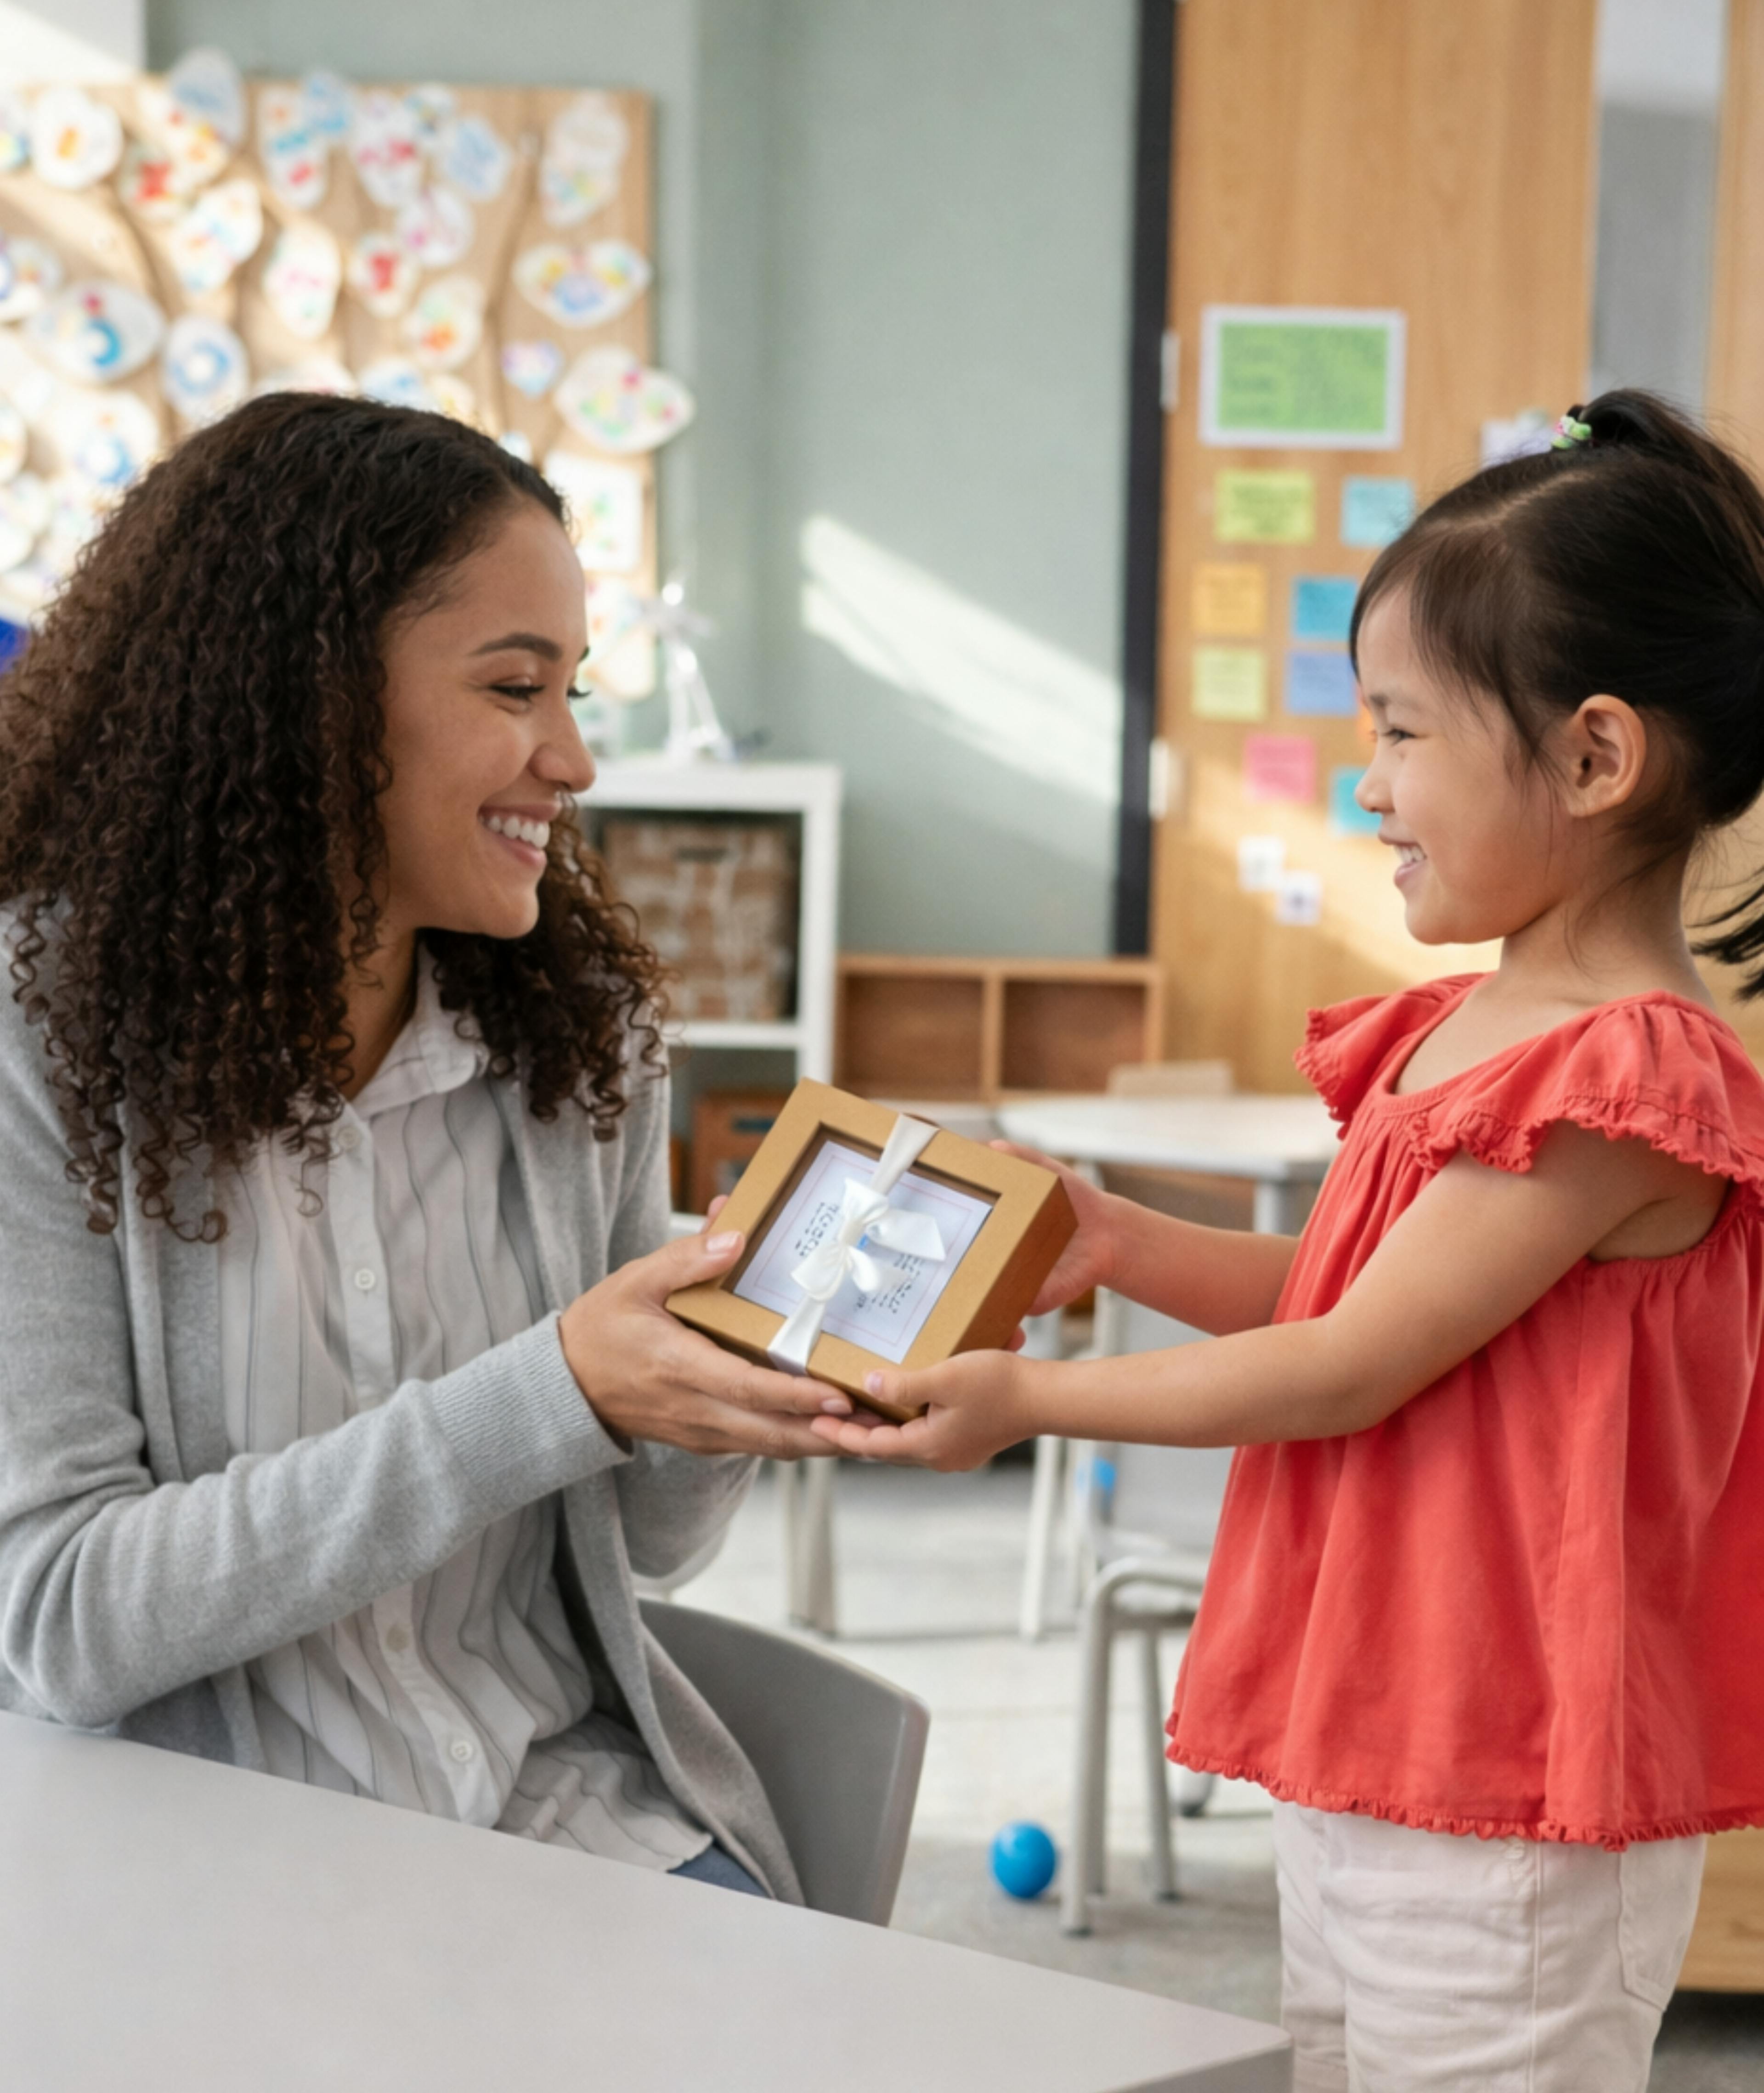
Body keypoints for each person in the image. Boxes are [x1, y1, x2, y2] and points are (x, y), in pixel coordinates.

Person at [812, 390, 1764, 2087]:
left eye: (1402, 732)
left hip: (1517, 1780)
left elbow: (1341, 1368)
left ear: (1599, 756)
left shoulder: (1624, 1075)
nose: (1368, 779)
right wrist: (1113, 1237)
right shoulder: (1464, 1028)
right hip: (1390, 1738)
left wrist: (1030, 1408)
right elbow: (1338, 1293)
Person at [0, 393, 848, 1900]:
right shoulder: (40, 1043)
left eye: (576, 691)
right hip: (198, 1887)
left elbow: (639, 1552)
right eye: (518, 688)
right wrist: (557, 1387)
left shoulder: (581, 1045)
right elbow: (66, 1618)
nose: (574, 760)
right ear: (307, 697)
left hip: (566, 1824)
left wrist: (715, 1377)